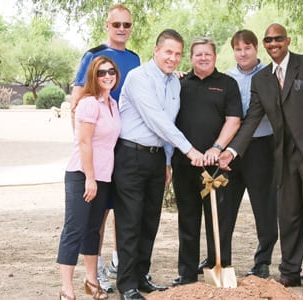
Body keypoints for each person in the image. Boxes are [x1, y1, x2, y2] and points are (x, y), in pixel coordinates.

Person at [218, 24, 303, 297]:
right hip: (284, 157)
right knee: (288, 216)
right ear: (264, 44)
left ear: (287, 40)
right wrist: (231, 151)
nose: (273, 43)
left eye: (278, 39)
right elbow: (252, 119)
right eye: (268, 40)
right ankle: (289, 271)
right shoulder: (261, 79)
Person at [113, 29, 204, 300]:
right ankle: (126, 285)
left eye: (177, 54)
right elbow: (157, 120)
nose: (173, 58)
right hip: (130, 156)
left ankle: (141, 277)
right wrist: (189, 150)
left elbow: (169, 124)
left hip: (155, 159)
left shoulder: (175, 84)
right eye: (168, 52)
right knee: (130, 222)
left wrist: (166, 162)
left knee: (150, 221)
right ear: (156, 50)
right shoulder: (137, 78)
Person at [71, 4, 140, 293]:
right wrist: (84, 151)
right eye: (117, 25)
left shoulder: (135, 59)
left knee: (121, 210)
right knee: (97, 214)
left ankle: (118, 262)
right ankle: (94, 268)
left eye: (126, 25)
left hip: (125, 145)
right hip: (99, 151)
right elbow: (77, 102)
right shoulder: (94, 56)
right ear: (107, 26)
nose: (122, 29)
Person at [171, 37, 242, 287]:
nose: (203, 58)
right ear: (191, 58)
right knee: (187, 219)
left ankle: (218, 266)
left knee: (218, 220)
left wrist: (217, 147)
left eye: (207, 54)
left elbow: (233, 120)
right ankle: (187, 274)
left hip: (215, 166)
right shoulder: (178, 83)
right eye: (198, 54)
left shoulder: (227, 84)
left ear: (215, 57)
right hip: (184, 164)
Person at [57, 55, 121, 300]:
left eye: (111, 72)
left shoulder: (112, 104)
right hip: (82, 175)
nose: (107, 76)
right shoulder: (89, 103)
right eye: (101, 72)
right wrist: (90, 178)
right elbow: (84, 142)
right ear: (94, 77)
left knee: (93, 230)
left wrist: (100, 179)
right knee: (74, 229)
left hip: (104, 177)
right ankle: (66, 288)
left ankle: (91, 281)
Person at [220, 29, 278, 279]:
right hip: (230, 151)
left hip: (261, 147)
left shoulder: (270, 75)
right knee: (224, 206)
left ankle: (262, 261)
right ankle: (220, 259)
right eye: (238, 49)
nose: (243, 53)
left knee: (264, 207)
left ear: (256, 49)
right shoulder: (226, 77)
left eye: (248, 48)